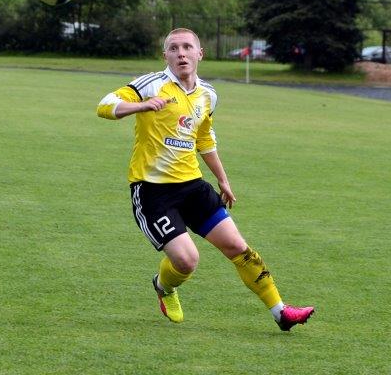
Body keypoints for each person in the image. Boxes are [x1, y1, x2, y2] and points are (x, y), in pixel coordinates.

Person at [96, 28, 314, 330]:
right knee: (187, 261)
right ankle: (163, 286)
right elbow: (105, 105)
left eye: (187, 47)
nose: (181, 53)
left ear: (200, 54)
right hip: (153, 192)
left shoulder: (208, 95)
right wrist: (141, 106)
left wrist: (223, 180)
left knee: (238, 248)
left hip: (193, 187)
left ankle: (281, 312)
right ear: (165, 55)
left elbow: (204, 138)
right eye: (174, 48)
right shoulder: (151, 85)